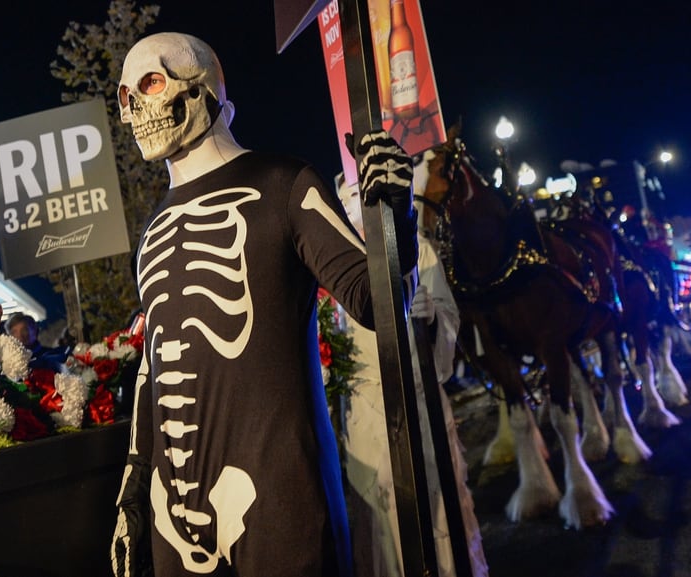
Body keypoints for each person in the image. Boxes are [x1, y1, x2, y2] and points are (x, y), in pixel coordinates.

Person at [110, 32, 418, 577]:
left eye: (151, 83)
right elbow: (153, 367)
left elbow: (379, 302)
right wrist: (133, 492)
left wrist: (396, 217)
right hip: (171, 509)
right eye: (126, 96)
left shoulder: (284, 184)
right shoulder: (153, 228)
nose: (136, 107)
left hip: (278, 498)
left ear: (199, 84)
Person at [336, 159, 488, 577]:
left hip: (418, 403)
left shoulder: (416, 248)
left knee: (435, 501)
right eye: (349, 202)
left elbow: (448, 325)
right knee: (381, 516)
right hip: (364, 413)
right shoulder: (334, 264)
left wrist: (433, 319)